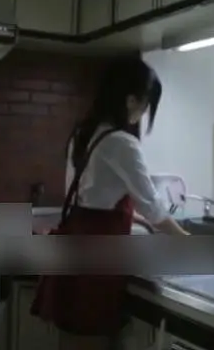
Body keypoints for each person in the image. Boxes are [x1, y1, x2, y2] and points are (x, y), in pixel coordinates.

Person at [30, 57, 190, 350]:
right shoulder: (122, 143)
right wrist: (187, 241)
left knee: (73, 339)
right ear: (131, 100)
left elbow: (89, 198)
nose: (143, 114)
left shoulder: (85, 132)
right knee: (90, 340)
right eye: (145, 106)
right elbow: (153, 209)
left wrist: (135, 219)